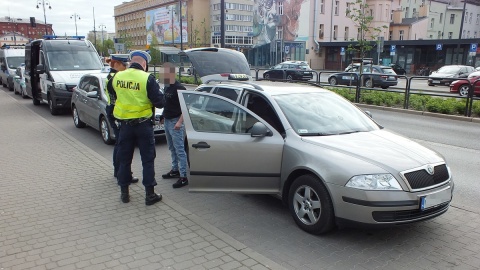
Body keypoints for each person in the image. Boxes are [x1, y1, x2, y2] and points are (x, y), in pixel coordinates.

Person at [112, 50, 165, 205]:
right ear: (144, 64)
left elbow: (112, 93)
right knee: (147, 160)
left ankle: (124, 194)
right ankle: (150, 195)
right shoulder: (147, 78)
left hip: (125, 126)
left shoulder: (118, 76)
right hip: (143, 125)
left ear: (131, 62)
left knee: (124, 159)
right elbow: (160, 102)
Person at [105, 54, 139, 184]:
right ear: (117, 64)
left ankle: (119, 171)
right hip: (116, 112)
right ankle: (122, 173)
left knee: (120, 143)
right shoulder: (115, 78)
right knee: (122, 145)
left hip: (113, 110)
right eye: (125, 65)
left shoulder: (112, 76)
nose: (126, 68)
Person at [160, 62, 188, 188]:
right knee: (172, 148)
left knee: (179, 150)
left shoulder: (179, 88)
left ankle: (183, 177)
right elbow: (166, 103)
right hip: (167, 120)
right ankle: (175, 170)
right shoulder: (167, 86)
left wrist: (180, 122)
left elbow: (186, 108)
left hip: (175, 122)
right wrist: (162, 116)